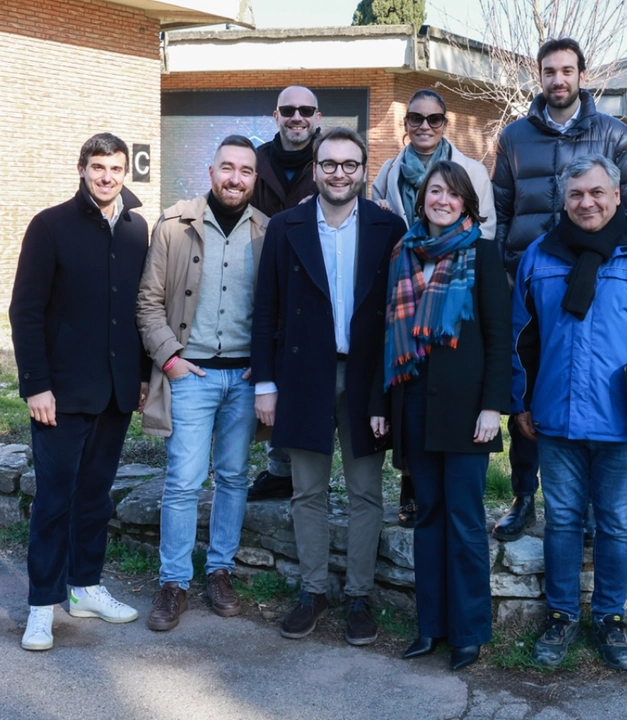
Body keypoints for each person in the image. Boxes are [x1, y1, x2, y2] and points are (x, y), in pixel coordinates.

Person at [510, 155, 627, 671]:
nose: (586, 203)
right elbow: (519, 341)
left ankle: (610, 617)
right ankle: (561, 615)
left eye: (596, 192)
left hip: (624, 421)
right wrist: (520, 403)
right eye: (576, 195)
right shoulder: (540, 256)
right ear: (564, 200)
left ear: (616, 195)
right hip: (556, 417)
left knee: (616, 523)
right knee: (563, 521)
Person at [491, 37, 627, 542]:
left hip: (593, 291)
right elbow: (500, 213)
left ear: (582, 74)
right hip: (528, 285)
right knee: (526, 394)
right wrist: (504, 275)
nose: (558, 80)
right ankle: (523, 498)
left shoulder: (614, 134)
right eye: (548, 71)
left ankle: (581, 508)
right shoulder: (514, 138)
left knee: (584, 392)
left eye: (567, 70)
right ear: (538, 77)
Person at [251, 127, 406, 645]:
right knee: (306, 491)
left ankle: (360, 596)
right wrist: (266, 383)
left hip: (366, 378)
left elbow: (397, 314)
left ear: (364, 170)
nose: (340, 172)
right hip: (303, 375)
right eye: (330, 163)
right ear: (315, 169)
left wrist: (391, 387)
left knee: (366, 492)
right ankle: (313, 591)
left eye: (350, 164)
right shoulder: (284, 226)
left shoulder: (389, 227)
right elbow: (266, 308)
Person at [9, 133, 149, 651]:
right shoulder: (50, 226)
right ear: (82, 169)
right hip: (60, 396)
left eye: (115, 167)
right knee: (53, 502)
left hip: (115, 394)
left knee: (95, 498)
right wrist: (36, 385)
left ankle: (86, 586)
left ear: (124, 171)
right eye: (97, 167)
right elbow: (24, 310)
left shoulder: (138, 229)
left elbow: (140, 309)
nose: (107, 176)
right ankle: (41, 606)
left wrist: (142, 376)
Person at [370, 160, 509, 671]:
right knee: (426, 518)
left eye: (452, 194)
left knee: (466, 521)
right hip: (413, 408)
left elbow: (499, 338)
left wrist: (494, 406)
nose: (442, 201)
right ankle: (430, 627)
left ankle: (468, 632)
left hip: (468, 412)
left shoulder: (483, 254)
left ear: (466, 203)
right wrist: (382, 406)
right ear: (421, 199)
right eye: (434, 192)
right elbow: (387, 336)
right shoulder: (403, 254)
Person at [136, 135, 268, 631]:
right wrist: (169, 360)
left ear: (255, 178)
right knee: (184, 481)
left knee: (233, 477)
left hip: (246, 376)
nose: (236, 178)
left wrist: (267, 364)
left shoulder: (267, 232)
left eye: (246, 171)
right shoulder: (173, 226)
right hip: (189, 373)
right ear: (210, 171)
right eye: (227, 168)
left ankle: (220, 571)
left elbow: (274, 310)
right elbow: (147, 302)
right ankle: (173, 583)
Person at [370, 89, 497, 529]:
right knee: (427, 509)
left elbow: (486, 233)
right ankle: (412, 490)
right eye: (415, 118)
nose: (424, 126)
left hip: (456, 303)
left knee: (463, 516)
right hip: (410, 290)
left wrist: (493, 405)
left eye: (435, 118)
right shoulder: (388, 172)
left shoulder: (473, 175)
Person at [248, 85, 324, 503]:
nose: (297, 117)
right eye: (288, 110)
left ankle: (306, 473)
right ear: (275, 115)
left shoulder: (330, 162)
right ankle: (278, 469)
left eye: (305, 110)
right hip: (258, 278)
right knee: (267, 377)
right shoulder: (255, 163)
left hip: (311, 286)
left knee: (304, 381)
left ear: (317, 117)